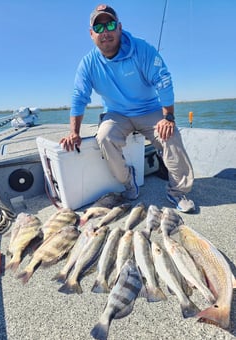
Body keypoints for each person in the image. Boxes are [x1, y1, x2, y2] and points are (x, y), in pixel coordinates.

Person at [59, 4, 195, 213]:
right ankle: (128, 181)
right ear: (91, 34)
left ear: (120, 27)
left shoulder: (142, 49)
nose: (106, 32)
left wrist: (168, 117)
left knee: (171, 134)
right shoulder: (88, 64)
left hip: (149, 109)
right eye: (99, 27)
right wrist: (74, 133)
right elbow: (79, 97)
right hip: (116, 113)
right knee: (104, 137)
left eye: (110, 24)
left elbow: (163, 80)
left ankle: (177, 191)